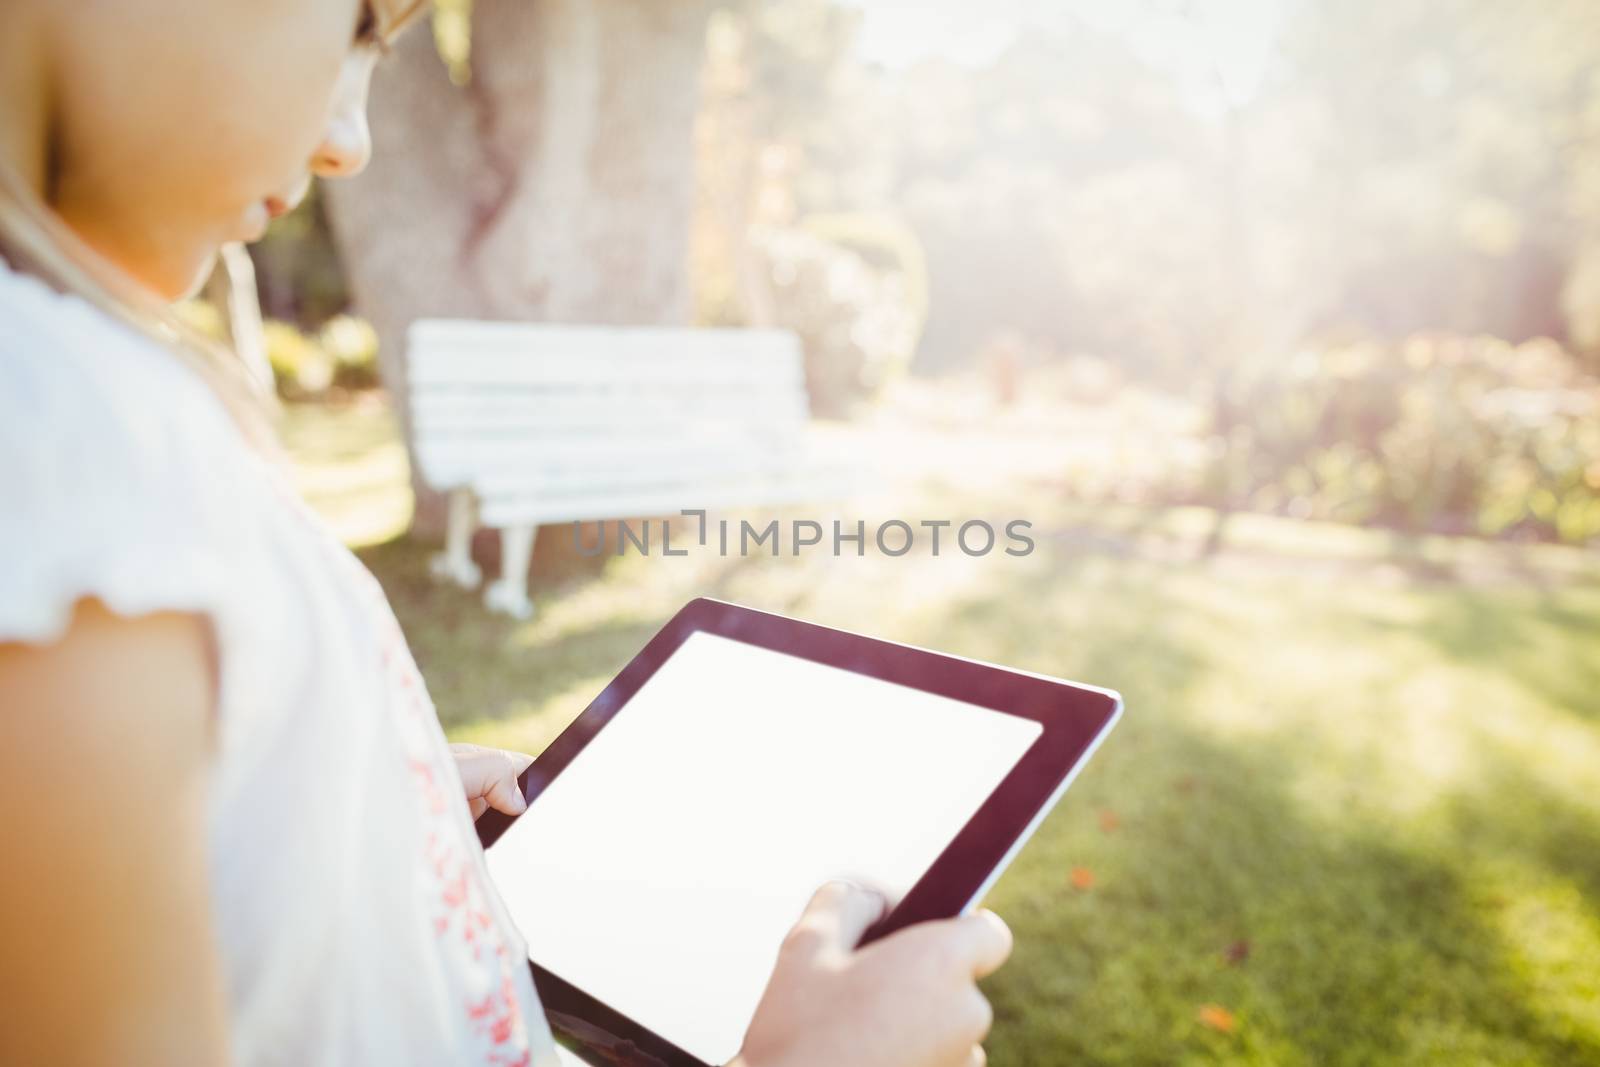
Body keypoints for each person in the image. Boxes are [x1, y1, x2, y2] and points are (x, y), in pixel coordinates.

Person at [0, 2, 1014, 1065]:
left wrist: (374, 789)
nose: (351, 140)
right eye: (355, 25)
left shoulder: (78, 411)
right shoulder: (69, 438)